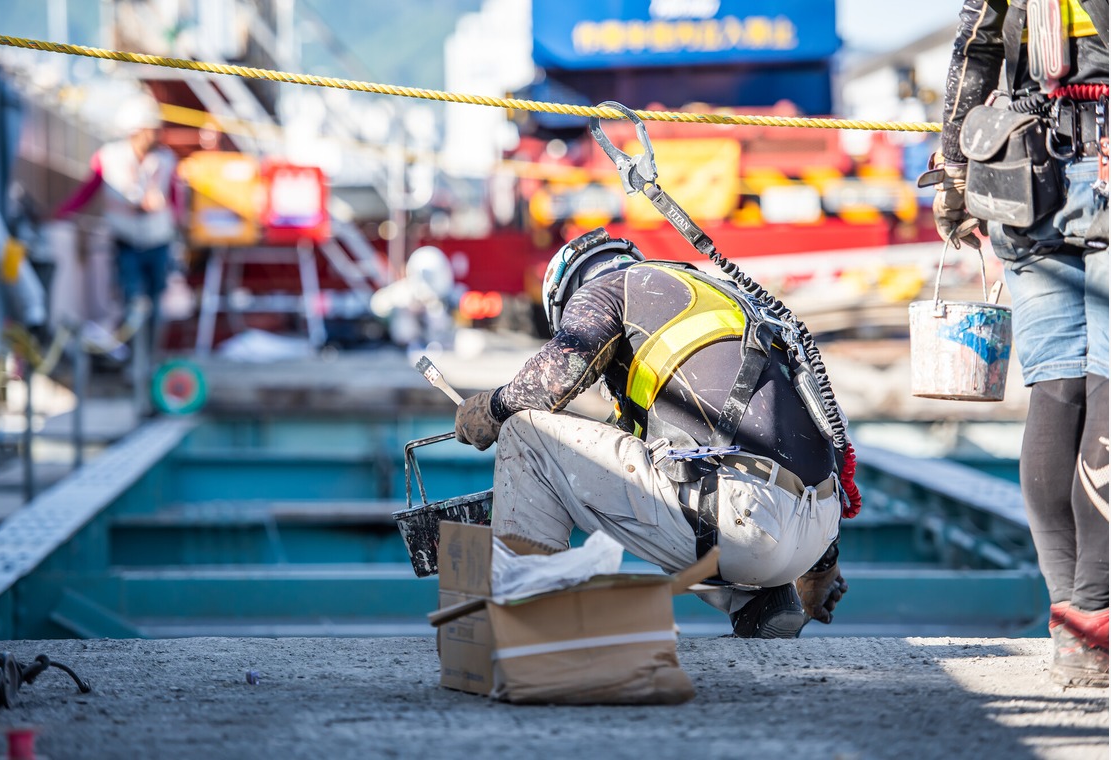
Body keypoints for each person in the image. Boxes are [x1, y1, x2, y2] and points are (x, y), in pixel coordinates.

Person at [453, 227, 850, 637]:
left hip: (742, 521)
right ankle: (760, 602)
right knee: (666, 466)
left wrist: (492, 408)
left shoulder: (609, 288)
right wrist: (820, 566)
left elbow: (558, 372)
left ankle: (532, 624)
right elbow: (824, 433)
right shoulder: (720, 296)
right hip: (814, 530)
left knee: (524, 432)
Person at [930, 0, 1108, 686]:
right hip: (1097, 160)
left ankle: (1073, 621)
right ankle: (1095, 614)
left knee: (1058, 387)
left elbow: (974, 44)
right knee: (1105, 386)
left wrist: (955, 170)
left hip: (1021, 172)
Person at [55, 92, 180, 343]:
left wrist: (174, 221)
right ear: (137, 130)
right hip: (126, 242)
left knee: (156, 300)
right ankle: (132, 351)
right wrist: (60, 214)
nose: (158, 135)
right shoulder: (109, 157)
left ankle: (150, 352)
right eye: (153, 129)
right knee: (130, 297)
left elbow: (175, 199)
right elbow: (87, 191)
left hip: (159, 241)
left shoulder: (166, 160)